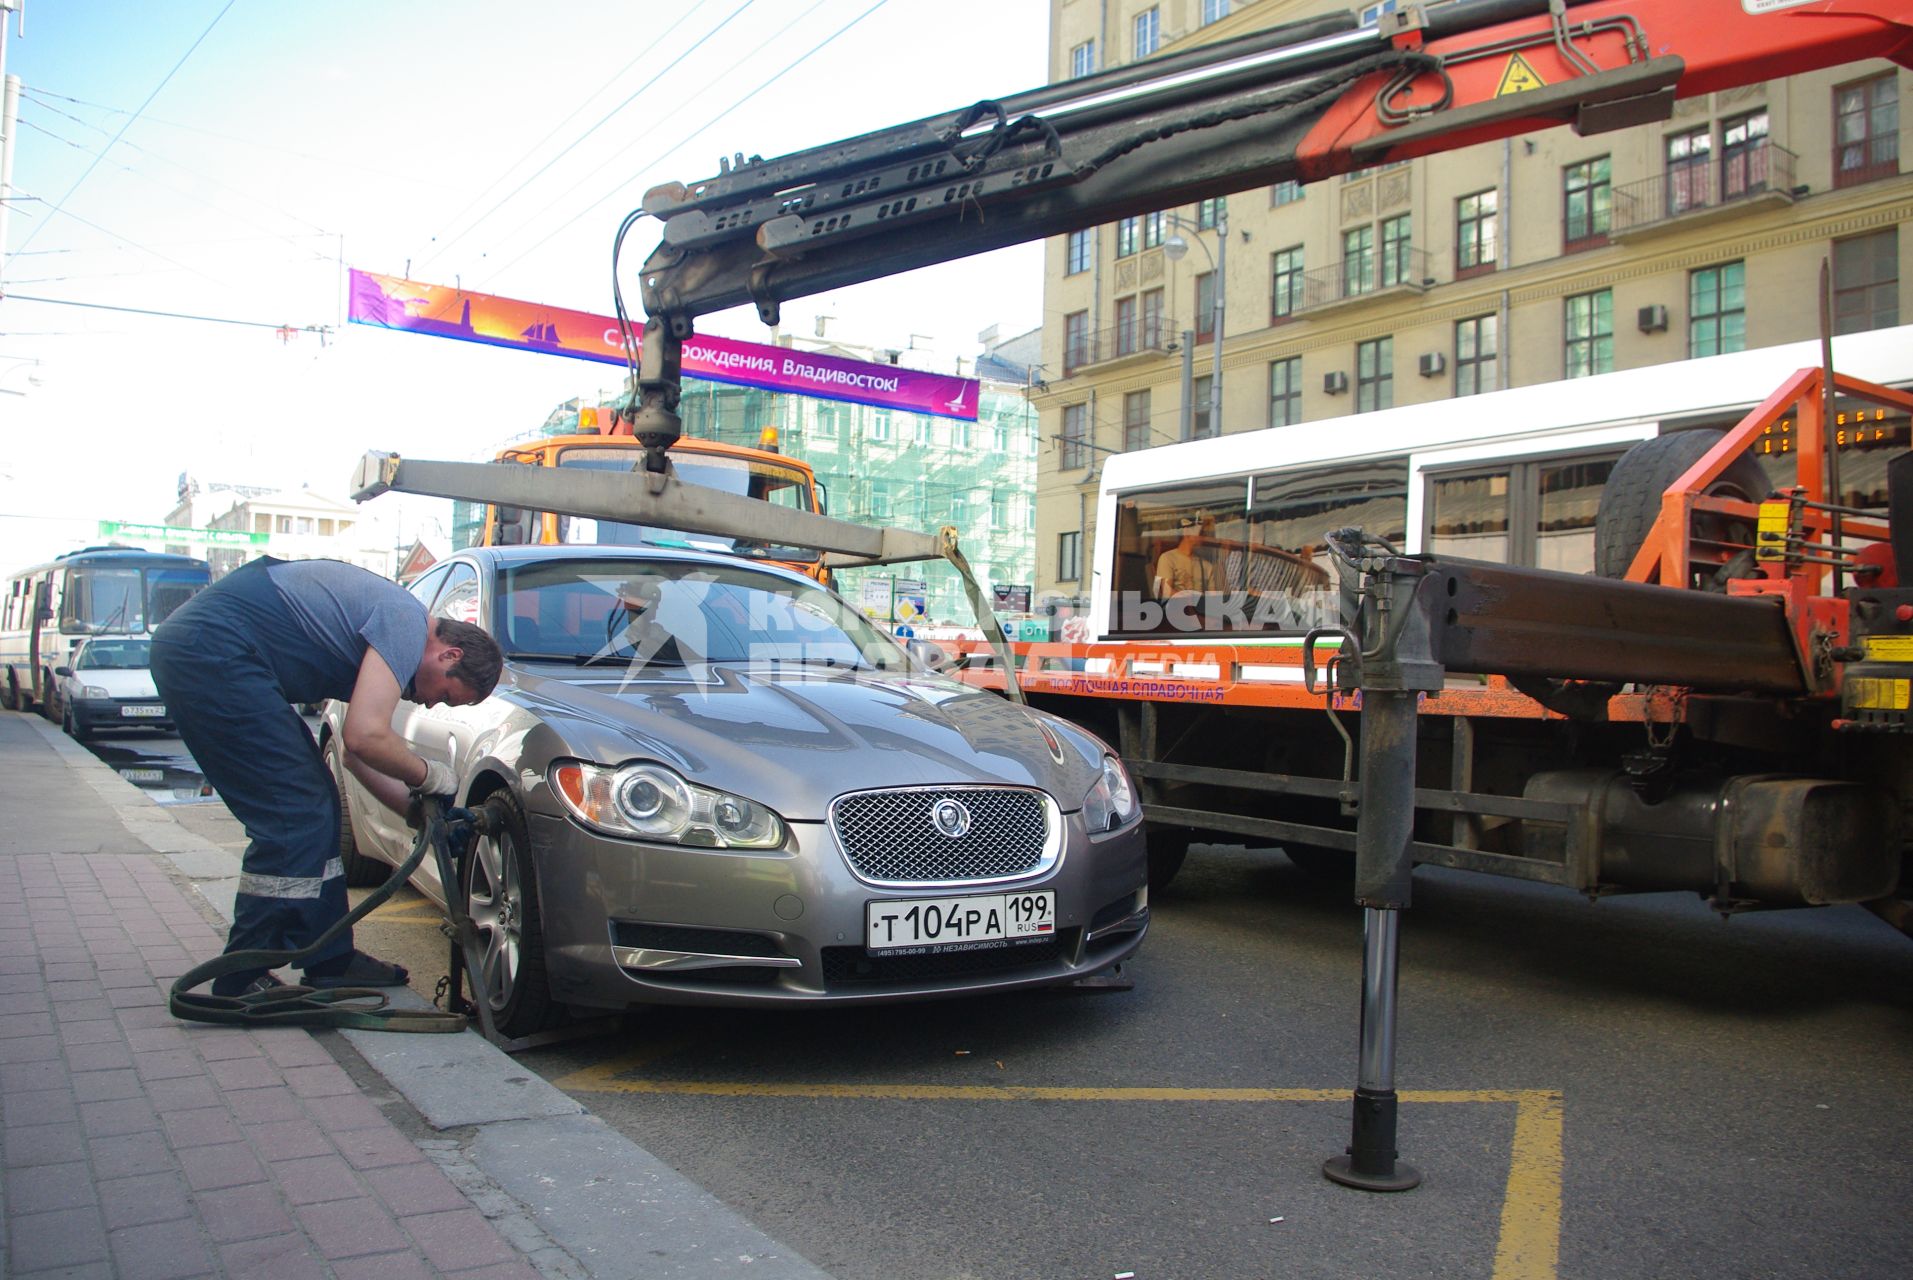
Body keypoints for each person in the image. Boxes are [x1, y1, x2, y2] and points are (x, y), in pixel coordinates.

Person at [151, 556, 502, 996]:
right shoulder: (405, 620)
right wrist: (433, 777)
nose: (431, 705)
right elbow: (364, 736)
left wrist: (418, 815)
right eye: (444, 696)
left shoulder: (390, 634)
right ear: (450, 654)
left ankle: (330, 959)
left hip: (214, 652)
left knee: (317, 805)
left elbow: (356, 760)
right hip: (213, 650)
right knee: (294, 816)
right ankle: (241, 975)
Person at [1152, 516, 1216, 601]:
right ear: (1187, 531)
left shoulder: (1207, 566)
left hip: (1201, 612)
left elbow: (1214, 599)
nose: (1204, 537)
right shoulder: (1167, 558)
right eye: (1201, 532)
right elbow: (1167, 592)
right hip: (1176, 611)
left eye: (1205, 534)